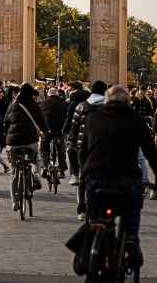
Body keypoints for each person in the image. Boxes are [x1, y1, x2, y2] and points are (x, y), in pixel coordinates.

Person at [80, 85, 157, 270]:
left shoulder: (93, 118)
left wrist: (83, 176)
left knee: (94, 216)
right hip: (126, 180)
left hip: (95, 178)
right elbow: (151, 152)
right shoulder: (135, 119)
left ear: (106, 100)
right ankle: (131, 240)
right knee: (132, 209)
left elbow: (84, 152)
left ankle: (88, 249)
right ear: (128, 101)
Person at [70, 80, 108, 216]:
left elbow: (74, 128)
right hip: (104, 148)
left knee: (83, 177)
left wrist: (72, 142)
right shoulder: (110, 107)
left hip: (84, 147)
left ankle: (81, 209)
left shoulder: (81, 107)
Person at [4, 82, 48, 196]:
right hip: (30, 140)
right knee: (36, 158)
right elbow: (42, 123)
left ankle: (14, 202)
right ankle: (36, 174)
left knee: (13, 170)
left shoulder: (13, 106)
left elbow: (5, 122)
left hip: (13, 142)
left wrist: (6, 137)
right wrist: (46, 134)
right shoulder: (35, 106)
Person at [64, 80, 91, 184]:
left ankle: (74, 174)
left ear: (73, 89)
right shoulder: (90, 100)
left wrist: (65, 131)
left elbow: (71, 118)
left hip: (77, 130)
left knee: (71, 149)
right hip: (92, 132)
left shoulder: (74, 101)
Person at [42, 87, 69, 177]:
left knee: (43, 148)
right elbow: (67, 116)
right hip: (59, 131)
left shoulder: (43, 103)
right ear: (57, 94)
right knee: (61, 149)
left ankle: (45, 165)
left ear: (48, 94)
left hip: (47, 131)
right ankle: (61, 170)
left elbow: (40, 118)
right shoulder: (64, 103)